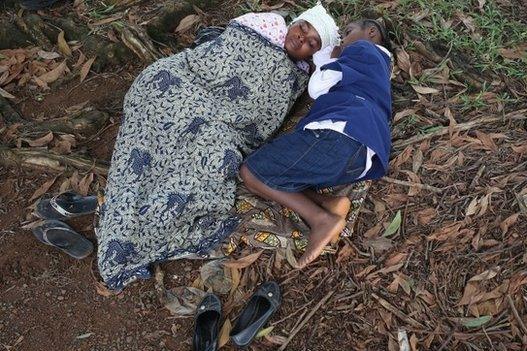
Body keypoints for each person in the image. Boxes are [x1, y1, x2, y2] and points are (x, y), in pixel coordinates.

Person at [91, 3, 340, 290]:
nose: (302, 38)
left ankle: (131, 233)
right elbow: (215, 57)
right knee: (158, 96)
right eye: (303, 28)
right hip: (186, 84)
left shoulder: (293, 74)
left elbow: (260, 111)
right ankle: (127, 214)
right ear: (294, 22)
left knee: (209, 153)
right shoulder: (262, 29)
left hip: (222, 119)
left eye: (312, 43)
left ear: (312, 55)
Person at [240, 19, 393, 269]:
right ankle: (329, 203)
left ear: (371, 32)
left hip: (340, 136)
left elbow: (318, 86)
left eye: (348, 32)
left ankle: (320, 218)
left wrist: (332, 58)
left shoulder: (362, 49)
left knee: (251, 172)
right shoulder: (382, 68)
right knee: (277, 176)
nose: (344, 39)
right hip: (361, 158)